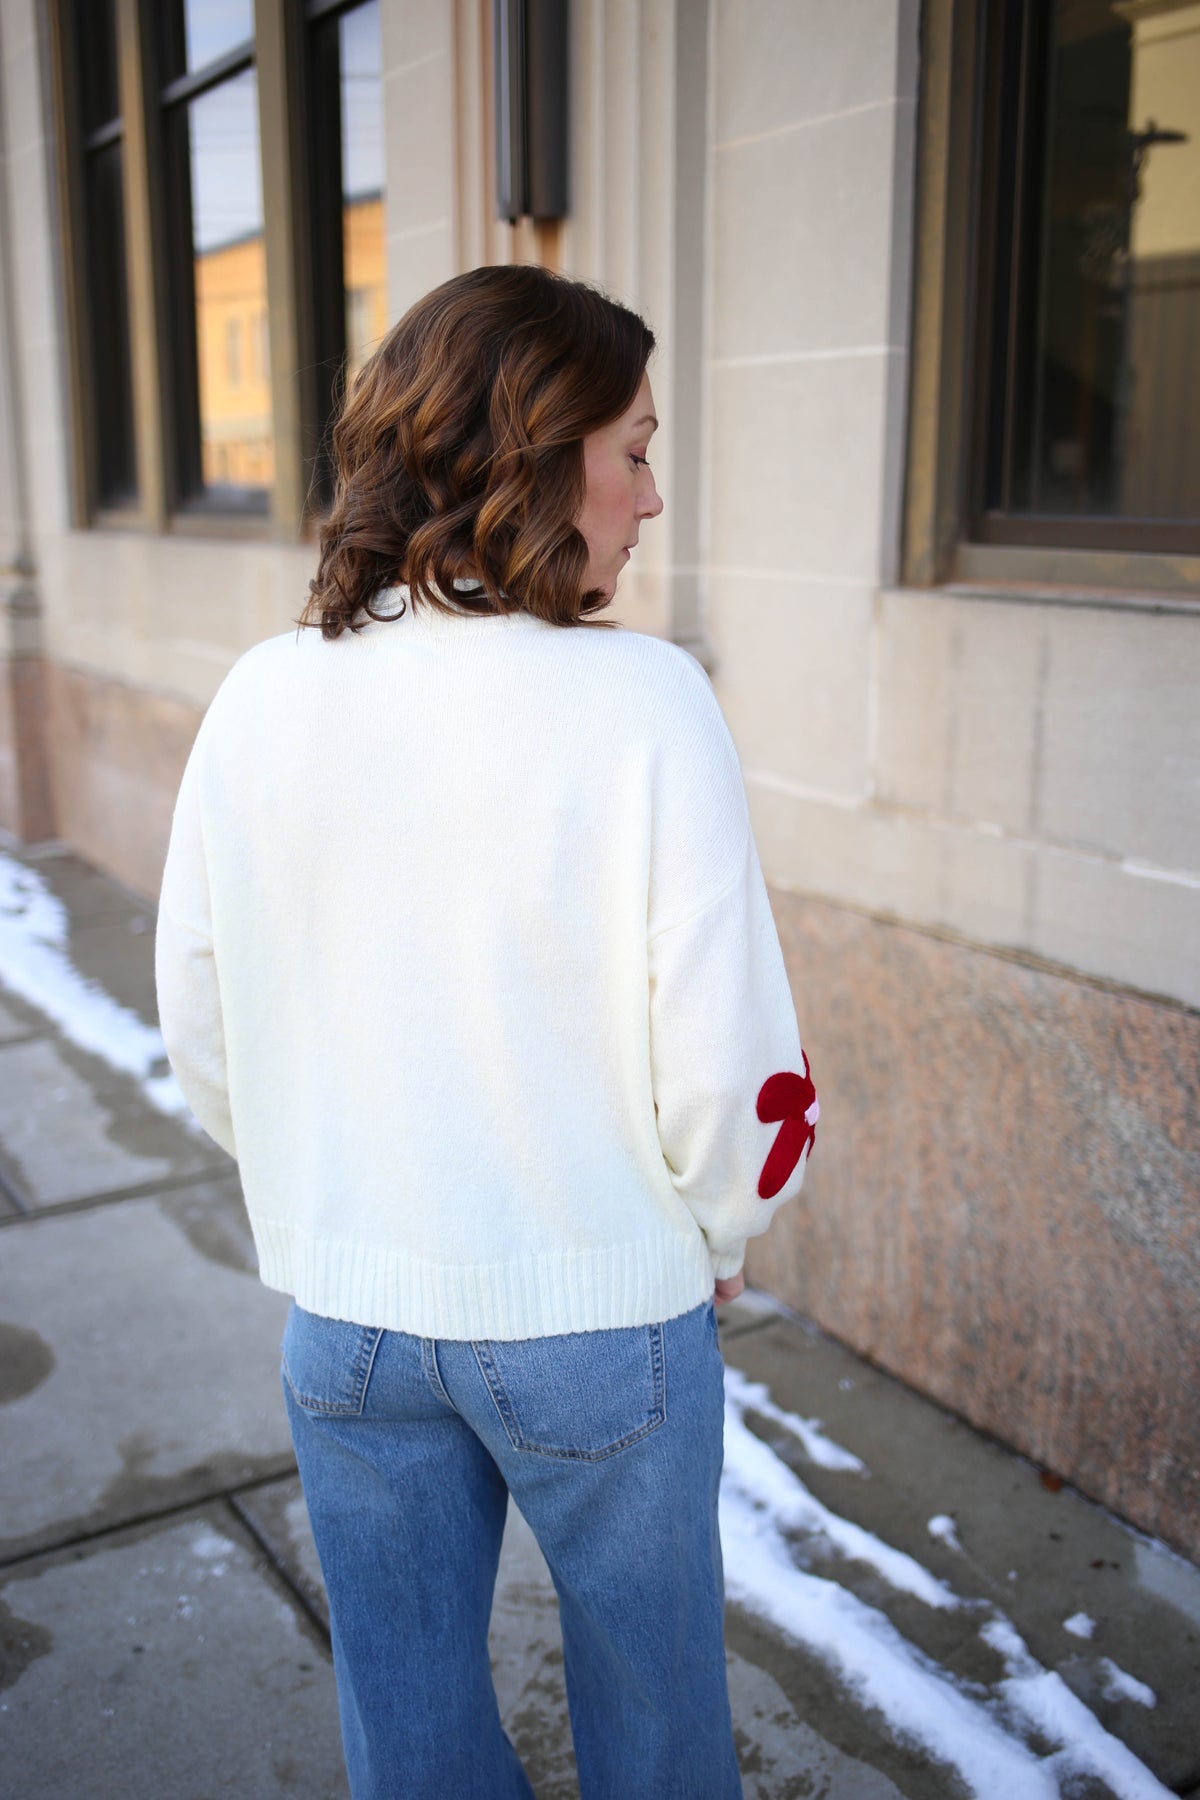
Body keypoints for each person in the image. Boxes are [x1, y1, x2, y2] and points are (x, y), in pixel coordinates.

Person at [155, 263, 818, 1800]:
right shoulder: (649, 700)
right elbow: (732, 1060)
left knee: (409, 1728)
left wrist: (328, 1189)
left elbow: (203, 1007)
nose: (651, 500)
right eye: (635, 451)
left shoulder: (261, 695)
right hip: (600, 1319)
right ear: (536, 453)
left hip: (350, 1318)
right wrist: (726, 1224)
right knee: (659, 1733)